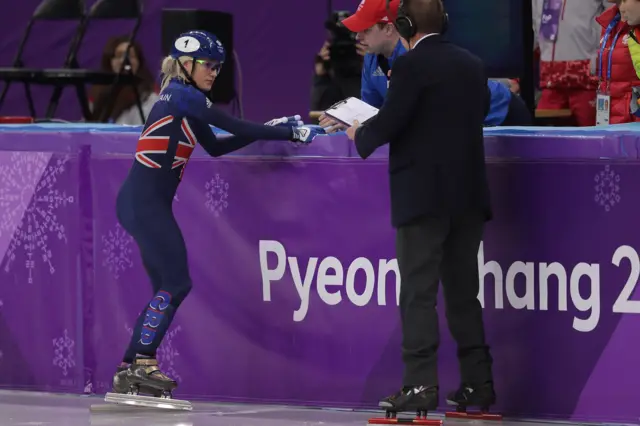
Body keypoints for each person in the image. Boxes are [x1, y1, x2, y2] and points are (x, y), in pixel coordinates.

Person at [110, 30, 322, 399]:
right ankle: (139, 363)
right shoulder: (182, 95)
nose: (215, 73)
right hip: (145, 206)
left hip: (142, 204)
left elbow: (216, 146)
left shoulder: (184, 99)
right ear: (186, 64)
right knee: (176, 283)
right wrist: (288, 131)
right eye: (209, 66)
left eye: (220, 67)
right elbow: (236, 126)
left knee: (168, 285)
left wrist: (270, 130)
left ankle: (132, 366)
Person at [344, 0, 495, 417]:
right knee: (465, 294)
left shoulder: (409, 66)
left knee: (418, 294)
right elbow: (479, 111)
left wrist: (359, 132)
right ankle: (478, 384)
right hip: (467, 198)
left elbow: (390, 122)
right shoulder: (472, 63)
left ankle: (420, 385)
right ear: (443, 22)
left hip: (422, 198)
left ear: (405, 25)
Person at [319, 0, 530, 132]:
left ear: (389, 29)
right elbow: (373, 112)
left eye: (365, 29)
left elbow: (409, 117)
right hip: (461, 125)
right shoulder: (372, 59)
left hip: (502, 113)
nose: (358, 36)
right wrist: (347, 119)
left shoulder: (418, 56)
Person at [532, 0, 611, 126]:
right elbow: (534, 26)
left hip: (588, 78)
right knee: (543, 137)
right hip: (550, 80)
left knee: (591, 139)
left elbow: (617, 14)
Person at [89, 36, 159, 125]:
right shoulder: (97, 93)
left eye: (131, 56)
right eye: (118, 56)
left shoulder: (149, 96)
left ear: (139, 62)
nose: (124, 60)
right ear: (110, 61)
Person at [595, 0, 640, 123]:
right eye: (620, 2)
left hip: (633, 118)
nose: (622, 7)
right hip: (608, 114)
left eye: (625, 1)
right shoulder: (609, 23)